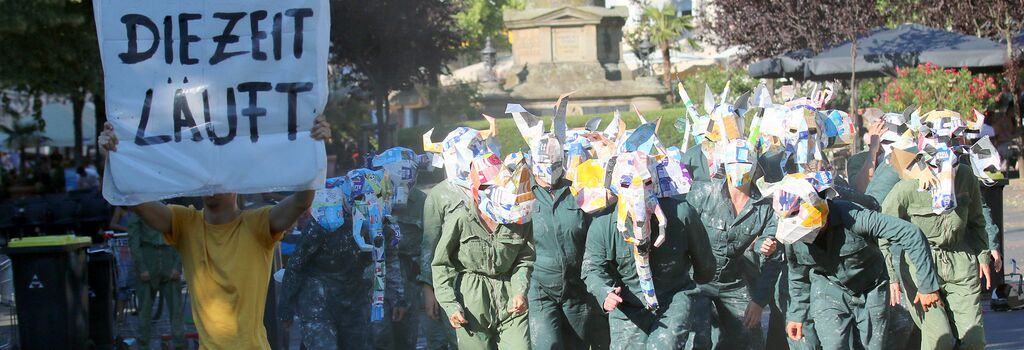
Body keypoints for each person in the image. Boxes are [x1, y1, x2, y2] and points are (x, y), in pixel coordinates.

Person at [97, 115, 331, 349]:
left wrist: (314, 146)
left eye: (221, 175)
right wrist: (112, 156)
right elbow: (133, 198)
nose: (214, 182)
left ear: (237, 182)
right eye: (207, 174)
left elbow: (302, 201)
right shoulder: (185, 223)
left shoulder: (258, 224)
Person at [763, 175, 942, 350]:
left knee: (871, 345)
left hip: (871, 287)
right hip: (828, 287)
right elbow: (797, 274)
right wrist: (797, 314)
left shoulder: (855, 217)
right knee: (834, 345)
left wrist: (927, 286)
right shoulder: (792, 236)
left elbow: (910, 234)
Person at [511, 103, 610, 350]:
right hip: (541, 289)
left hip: (578, 289)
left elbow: (597, 231)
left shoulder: (576, 189)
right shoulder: (522, 192)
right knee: (548, 344)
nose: (549, 174)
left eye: (555, 164)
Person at [279, 172, 406, 350]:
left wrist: (397, 297)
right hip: (317, 295)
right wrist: (286, 308)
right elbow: (297, 264)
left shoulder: (383, 225)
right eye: (360, 199)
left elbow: (388, 259)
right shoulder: (324, 222)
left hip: (353, 296)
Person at [127, 207, 185, 350]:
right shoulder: (140, 211)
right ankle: (143, 346)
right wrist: (142, 267)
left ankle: (179, 345)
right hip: (148, 260)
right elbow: (133, 242)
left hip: (168, 259)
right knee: (145, 311)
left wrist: (177, 266)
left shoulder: (170, 210)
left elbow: (180, 238)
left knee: (176, 311)